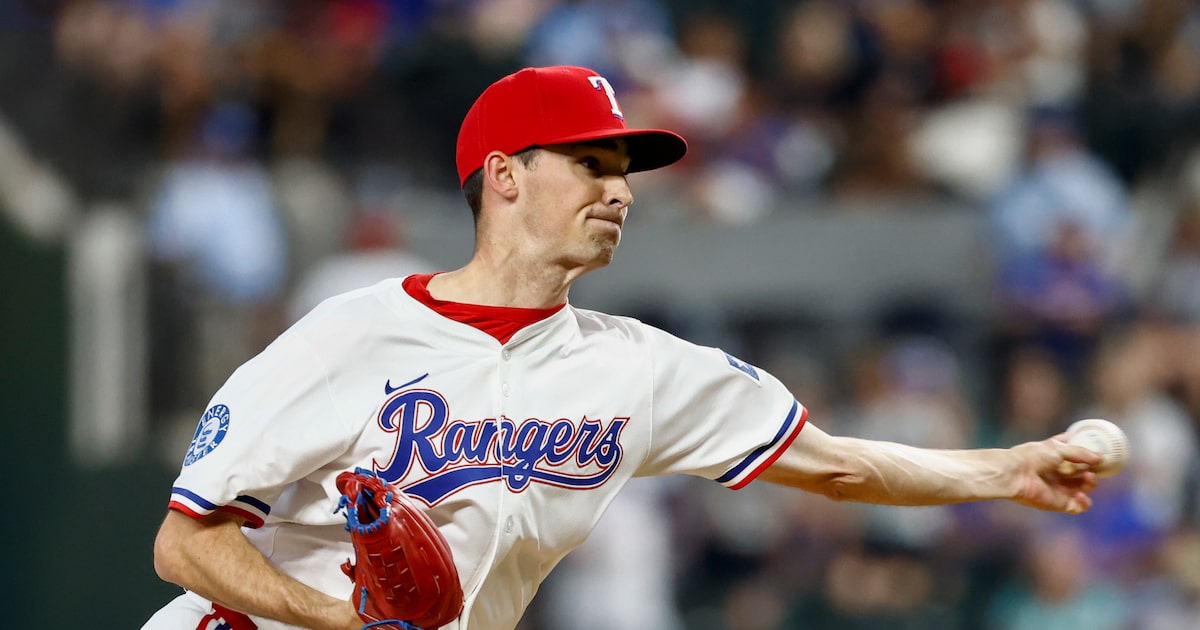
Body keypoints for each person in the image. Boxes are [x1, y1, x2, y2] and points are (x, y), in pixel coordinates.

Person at [144, 65, 1105, 630]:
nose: (621, 191)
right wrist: (352, 624)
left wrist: (1007, 469)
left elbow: (840, 467)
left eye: (625, 171)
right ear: (506, 175)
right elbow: (184, 542)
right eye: (591, 164)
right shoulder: (351, 333)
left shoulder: (637, 367)